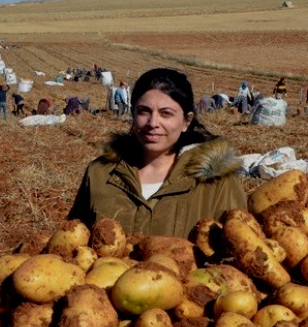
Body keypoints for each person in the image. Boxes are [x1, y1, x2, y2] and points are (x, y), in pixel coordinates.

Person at [68, 67, 249, 238]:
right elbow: (74, 239)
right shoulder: (100, 173)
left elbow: (238, 246)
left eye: (166, 113)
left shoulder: (217, 182)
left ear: (186, 121)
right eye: (144, 111)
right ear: (133, 114)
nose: (153, 122)